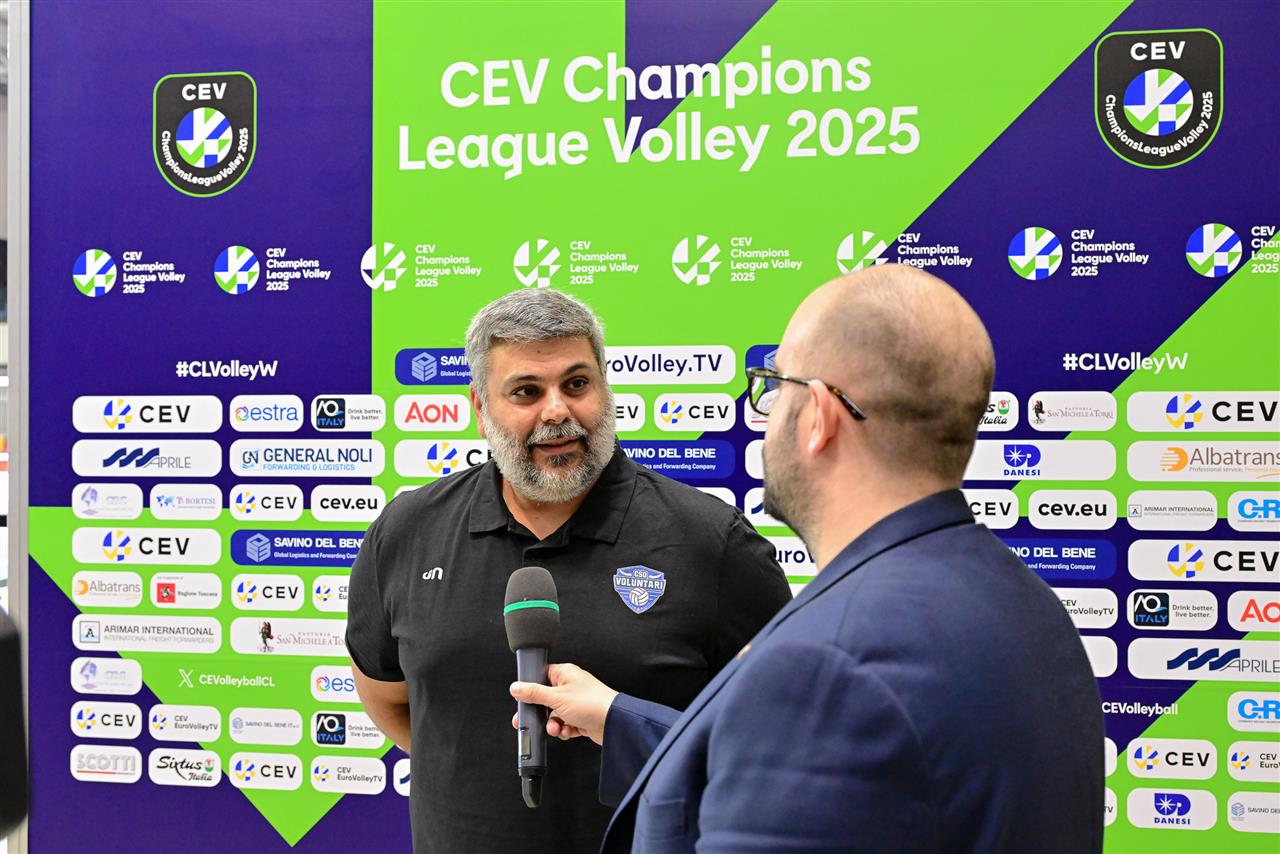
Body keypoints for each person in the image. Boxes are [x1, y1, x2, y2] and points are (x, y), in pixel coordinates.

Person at [511, 264, 1104, 853]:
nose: (767, 413)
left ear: (818, 416)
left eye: (774, 385)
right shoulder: (1025, 603)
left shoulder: (822, 664)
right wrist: (620, 719)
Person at [346, 288, 791, 853]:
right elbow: (389, 699)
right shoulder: (407, 531)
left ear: (604, 388)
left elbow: (782, 734)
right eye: (526, 392)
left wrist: (628, 729)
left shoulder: (714, 542)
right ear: (480, 408)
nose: (556, 411)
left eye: (576, 384)